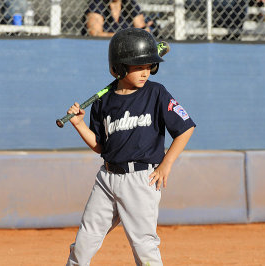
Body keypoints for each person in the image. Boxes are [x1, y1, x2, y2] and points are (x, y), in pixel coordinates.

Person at [65, 28, 196, 265]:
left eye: (149, 66)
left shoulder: (156, 93)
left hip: (141, 179)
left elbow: (185, 128)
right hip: (106, 178)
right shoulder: (103, 101)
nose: (146, 72)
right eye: (139, 66)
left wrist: (166, 164)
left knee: (144, 245)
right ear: (119, 68)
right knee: (84, 241)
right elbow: (100, 146)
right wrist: (79, 124)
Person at [82, 0, 153, 37]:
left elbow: (142, 30)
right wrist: (127, 36)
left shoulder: (130, 4)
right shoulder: (97, 4)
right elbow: (95, 34)